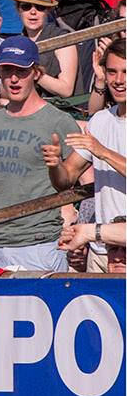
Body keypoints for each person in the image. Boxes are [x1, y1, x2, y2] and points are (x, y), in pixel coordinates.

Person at [0, 37, 84, 271]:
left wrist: (75, 224)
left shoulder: (59, 121)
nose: (13, 78)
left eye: (21, 71)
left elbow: (81, 182)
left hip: (40, 242)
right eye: (7, 70)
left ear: (35, 73)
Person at [43, 35, 126, 271]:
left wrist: (102, 152)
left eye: (125, 72)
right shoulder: (100, 120)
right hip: (101, 249)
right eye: (112, 72)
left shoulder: (98, 136)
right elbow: (66, 178)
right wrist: (54, 164)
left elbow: (100, 152)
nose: (118, 80)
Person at [11, 0, 79, 99]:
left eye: (40, 7)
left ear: (48, 10)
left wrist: (33, 72)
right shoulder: (16, 43)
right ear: (18, 9)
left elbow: (66, 90)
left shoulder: (62, 39)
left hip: (60, 109)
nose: (33, 12)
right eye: (26, 6)